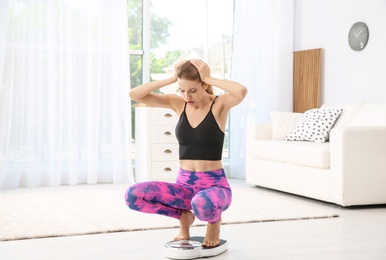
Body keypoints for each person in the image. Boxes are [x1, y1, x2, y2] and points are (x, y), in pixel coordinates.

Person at [125, 59, 247, 247]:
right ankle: (183, 215)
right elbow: (135, 94)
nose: (187, 96)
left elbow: (241, 91)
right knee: (133, 195)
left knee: (201, 203)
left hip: (214, 188)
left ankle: (214, 222)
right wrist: (172, 78)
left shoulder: (219, 105)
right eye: (182, 90)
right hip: (184, 187)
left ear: (204, 85)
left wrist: (209, 77)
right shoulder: (178, 104)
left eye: (193, 90)